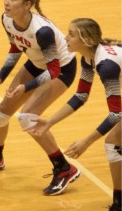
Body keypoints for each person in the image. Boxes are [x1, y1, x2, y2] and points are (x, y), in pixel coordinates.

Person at [0, 0, 80, 197]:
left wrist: (25, 87)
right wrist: (1, 77)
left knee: (28, 117)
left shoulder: (42, 31)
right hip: (36, 64)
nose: (7, 2)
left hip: (61, 69)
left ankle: (64, 168)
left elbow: (54, 70)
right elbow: (15, 46)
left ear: (28, 4)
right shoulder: (6, 19)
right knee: (0, 114)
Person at [27, 18, 121, 211]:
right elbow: (80, 96)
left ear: (85, 40)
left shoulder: (106, 65)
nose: (64, 37)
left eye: (71, 34)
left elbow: (116, 114)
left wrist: (86, 141)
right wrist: (50, 121)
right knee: (114, 143)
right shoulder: (88, 58)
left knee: (112, 142)